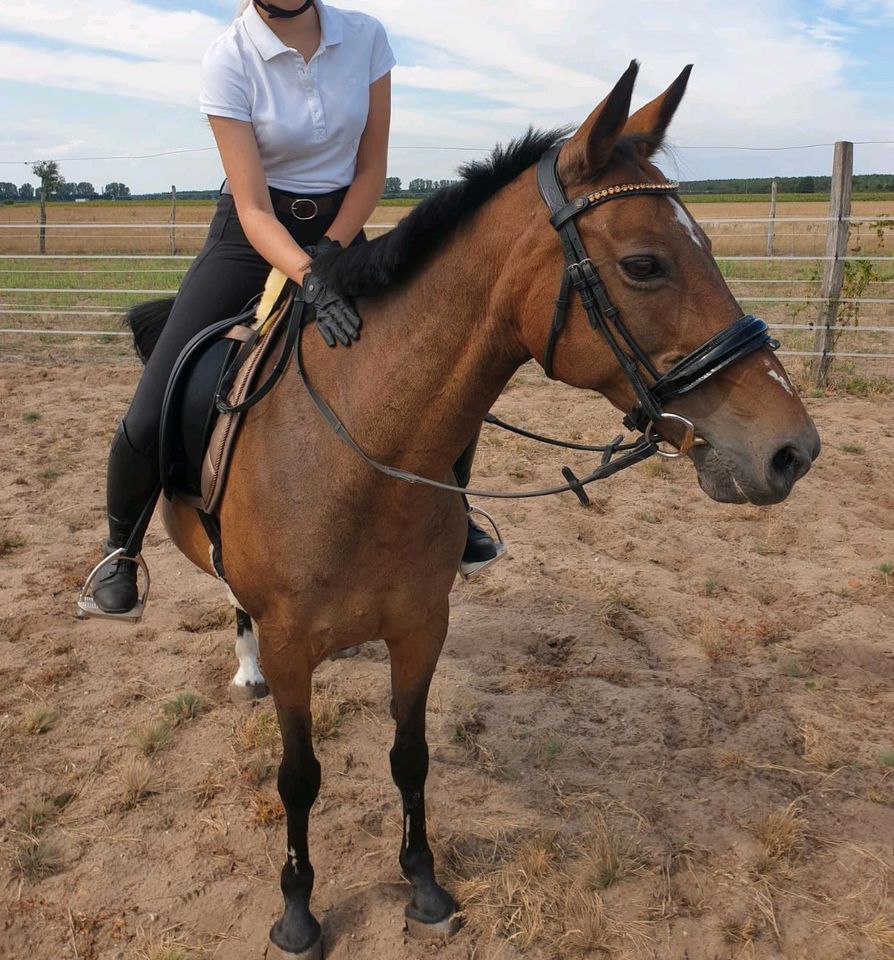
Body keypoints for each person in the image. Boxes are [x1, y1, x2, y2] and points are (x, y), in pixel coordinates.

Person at [81, 0, 504, 620]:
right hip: (249, 237)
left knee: (438, 363)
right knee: (153, 399)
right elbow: (253, 207)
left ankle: (453, 512)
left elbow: (371, 167)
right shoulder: (229, 57)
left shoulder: (366, 37)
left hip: (342, 227)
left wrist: (333, 254)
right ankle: (119, 555)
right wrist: (306, 275)